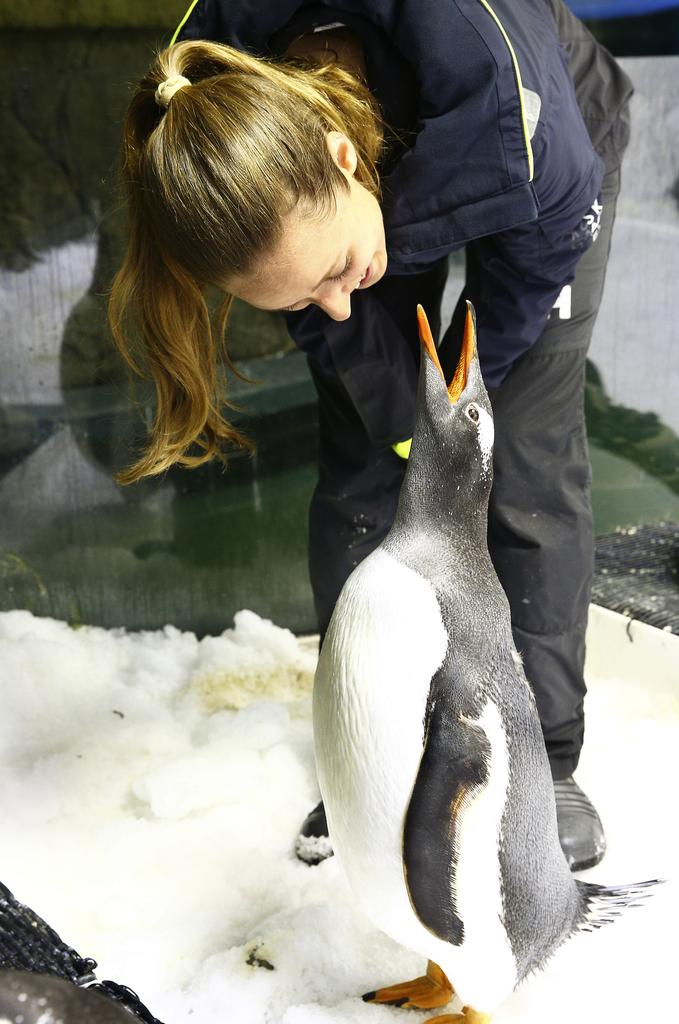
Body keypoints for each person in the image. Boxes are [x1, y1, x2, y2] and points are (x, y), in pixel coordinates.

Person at [109, 0, 633, 872]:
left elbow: (518, 292)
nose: (336, 305)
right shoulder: (209, 122)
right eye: (298, 297)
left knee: (527, 453)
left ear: (345, 159)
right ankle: (374, 752)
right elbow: (333, 305)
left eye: (326, 277)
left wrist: (451, 410)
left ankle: (546, 762)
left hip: (537, 154)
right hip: (349, 187)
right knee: (363, 458)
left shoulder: (512, 113)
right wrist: (393, 420)